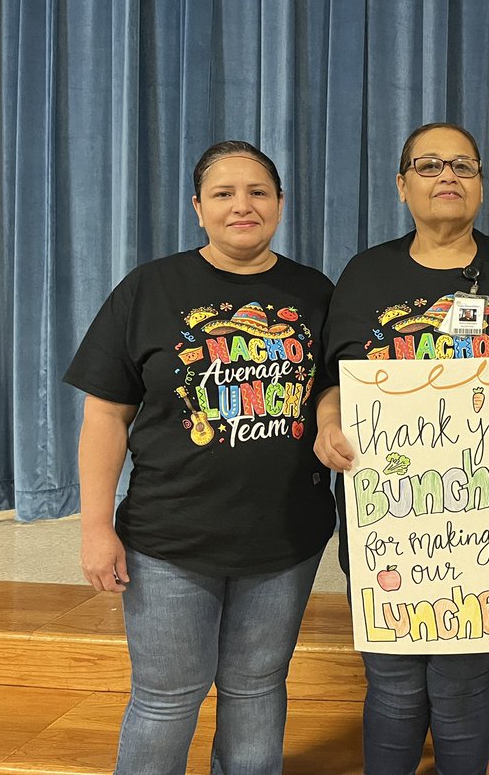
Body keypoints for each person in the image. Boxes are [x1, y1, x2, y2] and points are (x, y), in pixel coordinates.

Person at [64, 141, 336, 774]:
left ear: (280, 204)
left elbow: (333, 390)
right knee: (167, 699)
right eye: (223, 193)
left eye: (258, 192)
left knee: (256, 689)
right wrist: (95, 528)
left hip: (284, 541)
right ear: (198, 208)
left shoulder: (315, 292)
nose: (242, 205)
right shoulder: (150, 288)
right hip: (169, 542)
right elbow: (105, 416)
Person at [313, 122, 489, 775]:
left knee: (464, 688)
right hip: (388, 526)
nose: (447, 176)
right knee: (394, 684)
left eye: (463, 164)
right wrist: (328, 422)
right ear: (401, 185)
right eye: (428, 165)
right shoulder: (366, 274)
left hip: (481, 529)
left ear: (481, 183)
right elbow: (331, 382)